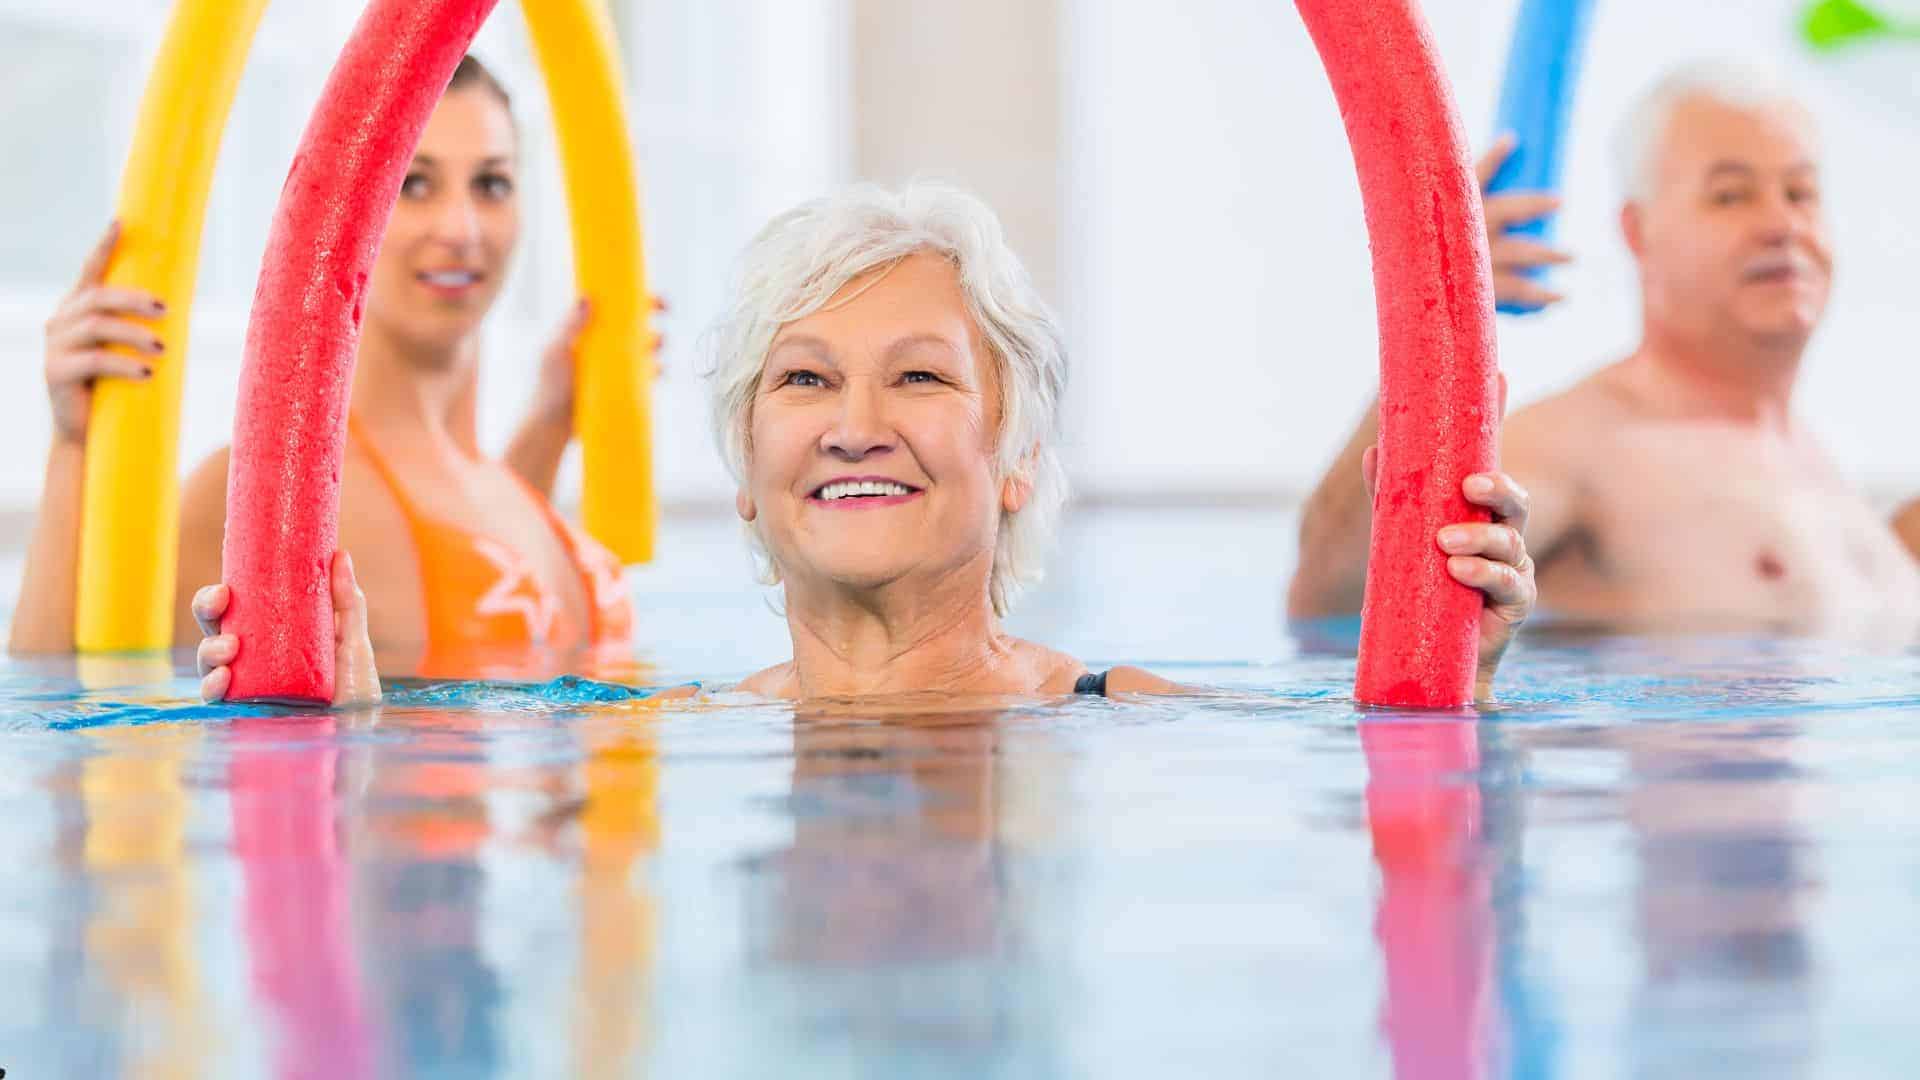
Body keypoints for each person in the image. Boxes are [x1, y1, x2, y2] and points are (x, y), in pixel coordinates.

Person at [195, 183, 1536, 705]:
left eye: (917, 377)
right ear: (745, 481)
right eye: (804, 379)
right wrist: (332, 747)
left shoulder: (1124, 719)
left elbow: (1414, 840)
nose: (854, 424)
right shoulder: (660, 737)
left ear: (1015, 457)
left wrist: (1457, 691)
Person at [11, 56, 642, 676]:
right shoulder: (273, 488)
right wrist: (76, 445)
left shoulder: (503, 486)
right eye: (412, 183)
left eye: (491, 184)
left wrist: (554, 422)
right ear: (338, 210)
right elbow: (65, 697)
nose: (460, 227)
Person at [1291, 61, 1920, 635]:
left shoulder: (1828, 476)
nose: (1783, 225)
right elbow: (1335, 599)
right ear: (1638, 232)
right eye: (1731, 195)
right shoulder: (1582, 446)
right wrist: (1431, 317)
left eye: (1801, 193)